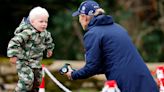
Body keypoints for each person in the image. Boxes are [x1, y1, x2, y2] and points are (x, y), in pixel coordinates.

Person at [65, 0, 159, 92]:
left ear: (84, 17)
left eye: (79, 17)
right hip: (145, 80)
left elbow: (92, 67)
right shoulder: (118, 28)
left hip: (125, 84)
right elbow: (109, 63)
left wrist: (73, 75)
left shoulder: (93, 34)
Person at [7, 6, 54, 92]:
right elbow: (14, 42)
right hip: (24, 62)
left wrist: (49, 49)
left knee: (37, 82)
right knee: (26, 81)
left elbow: (49, 40)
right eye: (41, 21)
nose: (44, 24)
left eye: (46, 22)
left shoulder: (45, 33)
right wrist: (13, 55)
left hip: (36, 62)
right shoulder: (27, 32)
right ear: (32, 22)